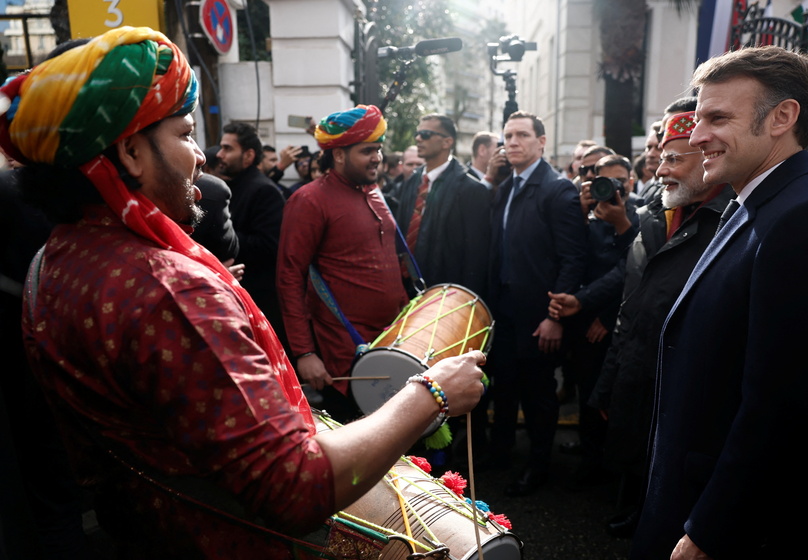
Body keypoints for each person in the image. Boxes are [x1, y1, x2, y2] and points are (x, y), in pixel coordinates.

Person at [11, 28, 485, 558]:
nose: (200, 157)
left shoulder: (53, 259)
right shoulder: (170, 289)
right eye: (186, 134)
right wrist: (432, 392)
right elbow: (294, 489)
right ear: (130, 151)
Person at [631, 46, 808, 559]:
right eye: (699, 117)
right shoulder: (753, 204)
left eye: (717, 118)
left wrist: (709, 528)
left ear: (783, 118)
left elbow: (785, 406)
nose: (696, 135)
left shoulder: (805, 217)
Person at [587, 108, 734, 540]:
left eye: (675, 159)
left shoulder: (728, 222)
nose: (661, 168)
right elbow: (632, 307)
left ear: (707, 161)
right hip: (638, 364)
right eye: (662, 157)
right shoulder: (655, 215)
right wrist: (611, 379)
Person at [276, 105, 410, 422]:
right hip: (343, 354)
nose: (377, 157)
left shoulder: (374, 191)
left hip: (394, 343)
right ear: (338, 155)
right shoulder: (308, 200)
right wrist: (305, 353)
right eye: (367, 151)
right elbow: (289, 278)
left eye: (378, 149)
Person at [486, 110, 588, 496]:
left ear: (541, 141)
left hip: (539, 314)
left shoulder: (556, 190)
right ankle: (501, 454)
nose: (512, 142)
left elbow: (573, 259)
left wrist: (555, 317)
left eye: (522, 135)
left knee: (539, 394)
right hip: (505, 310)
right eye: (508, 136)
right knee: (505, 385)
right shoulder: (508, 185)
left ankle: (539, 465)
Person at [548, 153, 639, 487]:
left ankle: (613, 466)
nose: (611, 188)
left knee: (614, 397)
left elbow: (631, 271)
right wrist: (585, 217)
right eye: (604, 180)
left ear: (630, 181)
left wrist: (605, 314)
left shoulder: (642, 212)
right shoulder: (586, 212)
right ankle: (590, 459)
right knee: (587, 392)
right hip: (582, 319)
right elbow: (576, 259)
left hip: (614, 320)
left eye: (617, 181)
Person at [395, 113, 491, 297]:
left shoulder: (471, 190)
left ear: (447, 142)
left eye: (426, 134)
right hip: (404, 291)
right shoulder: (411, 182)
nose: (418, 138)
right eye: (418, 133)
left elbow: (475, 260)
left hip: (445, 298)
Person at [217, 121, 288, 347]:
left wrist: (222, 237)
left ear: (248, 156)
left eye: (228, 149)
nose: (220, 154)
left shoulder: (263, 190)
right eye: (221, 147)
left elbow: (269, 245)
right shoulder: (233, 186)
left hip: (260, 301)